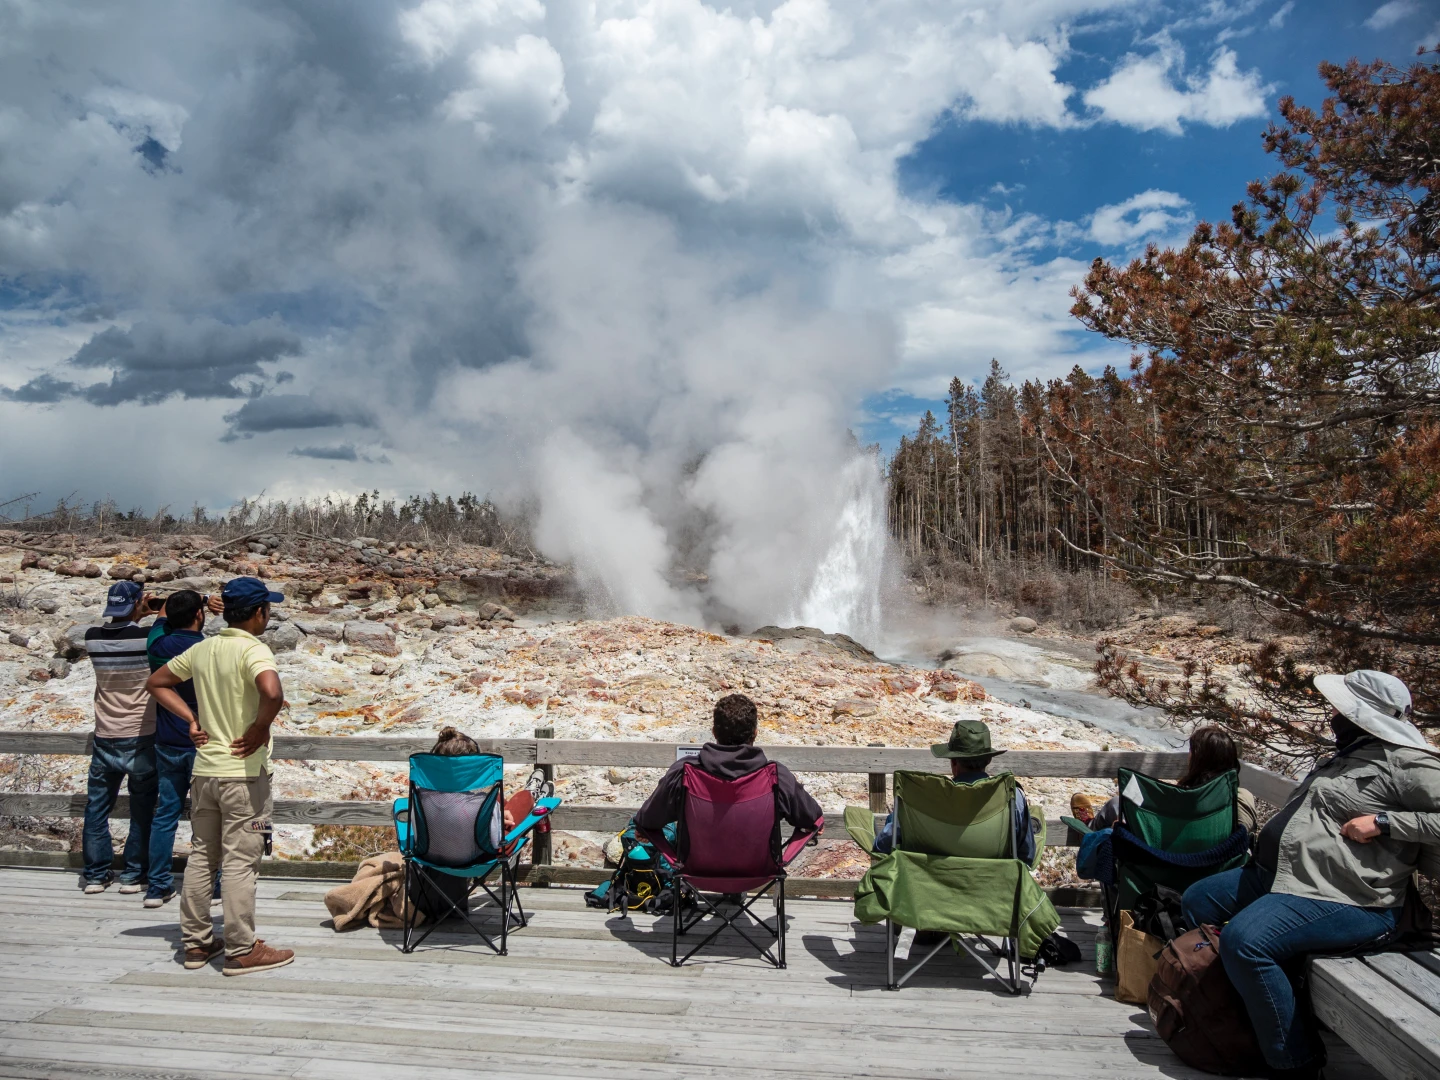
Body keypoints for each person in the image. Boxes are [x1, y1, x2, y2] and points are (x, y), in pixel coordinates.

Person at [1181, 670, 1440, 1079]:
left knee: (1245, 941)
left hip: (1347, 896)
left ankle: (1295, 1063)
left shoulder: (1407, 762)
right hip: (1287, 877)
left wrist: (1385, 823)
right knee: (1198, 900)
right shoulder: (1349, 752)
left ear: (1363, 715)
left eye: (1341, 709)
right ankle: (1248, 1018)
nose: (1333, 714)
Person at [146, 576, 295, 976]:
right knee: (240, 862)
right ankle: (241, 949)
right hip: (244, 775)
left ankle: (196, 944)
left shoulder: (204, 648)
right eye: (268, 608)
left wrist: (190, 718)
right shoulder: (254, 649)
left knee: (201, 856)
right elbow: (273, 691)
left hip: (205, 771)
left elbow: (157, 682)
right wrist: (260, 728)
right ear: (259, 612)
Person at [634, 693, 823, 848]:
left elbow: (647, 821)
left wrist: (648, 832)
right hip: (759, 872)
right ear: (755, 733)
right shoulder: (776, 776)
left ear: (714, 732)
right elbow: (813, 819)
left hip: (696, 871)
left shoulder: (684, 773)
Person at [81, 581, 160, 895]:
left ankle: (95, 875)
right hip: (141, 732)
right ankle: (132, 875)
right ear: (137, 603)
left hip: (105, 734)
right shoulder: (145, 637)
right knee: (142, 810)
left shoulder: (92, 638)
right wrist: (151, 613)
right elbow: (158, 633)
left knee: (97, 808)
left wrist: (137, 610)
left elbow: (119, 631)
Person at [874, 719, 1040, 863]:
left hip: (925, 894)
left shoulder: (922, 797)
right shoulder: (1011, 796)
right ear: (989, 759)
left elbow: (883, 845)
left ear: (953, 762)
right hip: (992, 893)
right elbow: (1027, 855)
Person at [143, 590, 209, 909]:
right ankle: (213, 884)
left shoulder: (156, 646)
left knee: (165, 814)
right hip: (203, 744)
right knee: (207, 817)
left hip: (167, 740)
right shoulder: (208, 650)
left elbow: (160, 622)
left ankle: (157, 886)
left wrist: (166, 603)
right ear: (199, 615)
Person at [1086, 725, 1259, 835]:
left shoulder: (1183, 797)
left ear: (1197, 760)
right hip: (1219, 868)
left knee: (1116, 804)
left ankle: (1088, 829)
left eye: (1191, 752)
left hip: (1166, 863)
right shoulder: (1241, 798)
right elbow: (1241, 835)